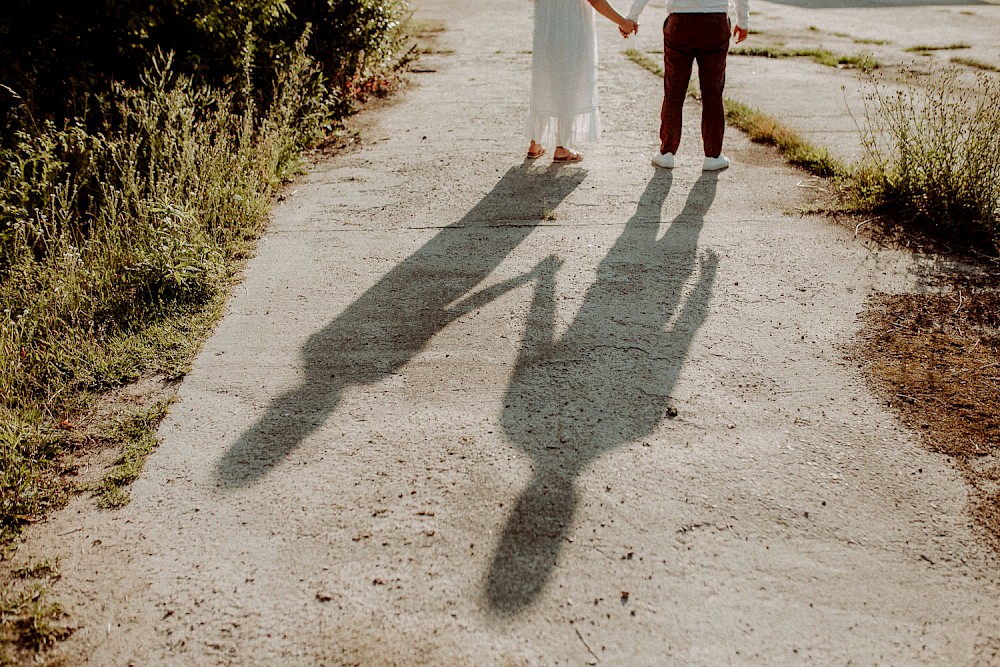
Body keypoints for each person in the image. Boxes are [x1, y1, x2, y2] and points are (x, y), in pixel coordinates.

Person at [626, 0, 748, 171]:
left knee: (673, 90)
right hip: (715, 21)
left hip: (679, 21)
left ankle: (667, 153)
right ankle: (713, 156)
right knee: (713, 92)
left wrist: (632, 16)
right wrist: (743, 21)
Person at [526, 0, 638, 163]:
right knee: (570, 84)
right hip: (572, 28)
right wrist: (623, 22)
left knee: (545, 82)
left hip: (546, 28)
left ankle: (535, 143)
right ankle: (562, 147)